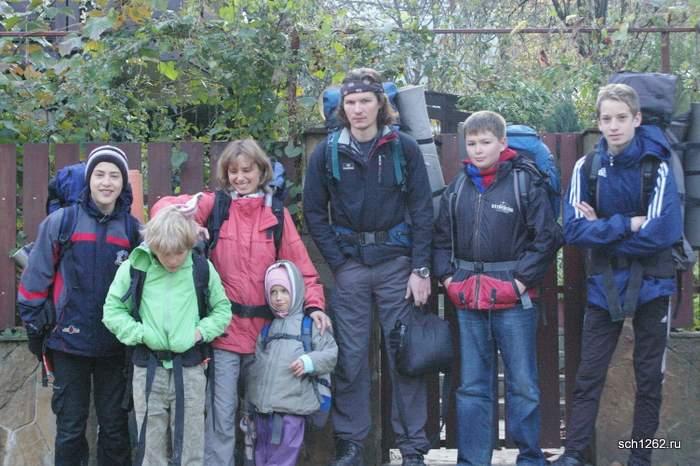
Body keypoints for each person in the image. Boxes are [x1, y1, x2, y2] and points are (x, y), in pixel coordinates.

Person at [151, 138, 329, 466]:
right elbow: (163, 209)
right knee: (221, 414)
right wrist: (190, 219)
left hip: (268, 336)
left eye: (247, 170)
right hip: (225, 332)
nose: (240, 177)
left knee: (262, 412)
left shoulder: (276, 213)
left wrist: (315, 305)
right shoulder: (216, 205)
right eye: (233, 171)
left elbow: (301, 267)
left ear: (261, 171)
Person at [304, 67, 433, 466]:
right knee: (351, 358)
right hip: (351, 268)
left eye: (365, 101)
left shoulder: (403, 148)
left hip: (397, 265)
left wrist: (421, 268)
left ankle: (412, 448)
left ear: (380, 104)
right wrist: (339, 264)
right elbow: (314, 212)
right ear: (342, 108)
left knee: (404, 356)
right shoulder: (327, 152)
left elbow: (422, 209)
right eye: (351, 102)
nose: (358, 109)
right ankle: (351, 444)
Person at [553, 84, 682, 466]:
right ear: (598, 122)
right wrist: (628, 224)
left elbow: (663, 232)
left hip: (653, 284)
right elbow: (573, 230)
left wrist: (604, 232)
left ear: (636, 119)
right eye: (606, 118)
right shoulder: (587, 167)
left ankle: (639, 458)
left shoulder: (657, 165)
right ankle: (574, 455)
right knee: (588, 375)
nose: (614, 126)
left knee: (649, 378)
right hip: (603, 286)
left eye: (621, 118)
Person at [433, 111, 563, 466]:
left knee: (523, 385)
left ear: (502, 143)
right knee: (472, 386)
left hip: (515, 301)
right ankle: (472, 460)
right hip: (468, 301)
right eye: (472, 143)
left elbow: (547, 238)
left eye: (485, 142)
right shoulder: (458, 187)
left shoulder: (525, 183)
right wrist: (448, 279)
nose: (478, 149)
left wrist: (519, 281)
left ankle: (530, 458)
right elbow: (440, 239)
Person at [18, 145, 141, 466]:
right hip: (67, 343)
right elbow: (36, 276)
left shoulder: (131, 230)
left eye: (114, 176)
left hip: (115, 345)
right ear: (89, 180)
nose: (106, 182)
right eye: (99, 174)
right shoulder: (62, 222)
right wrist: (35, 325)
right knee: (71, 429)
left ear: (123, 183)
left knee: (115, 429)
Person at [102, 204, 232, 466]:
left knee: (191, 447)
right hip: (148, 368)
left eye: (179, 253)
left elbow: (222, 310)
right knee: (150, 449)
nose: (173, 261)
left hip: (190, 369)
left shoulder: (201, 268)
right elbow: (112, 311)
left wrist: (199, 333)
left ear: (189, 245)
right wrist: (141, 333)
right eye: (165, 254)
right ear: (153, 246)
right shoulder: (135, 267)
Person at [245, 260, 338, 466]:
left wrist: (309, 361)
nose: (278, 298)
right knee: (260, 458)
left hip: (291, 414)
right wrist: (250, 406)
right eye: (273, 292)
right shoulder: (267, 330)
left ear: (296, 291)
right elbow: (256, 372)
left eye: (284, 291)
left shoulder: (311, 326)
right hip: (263, 413)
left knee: (282, 460)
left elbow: (331, 354)